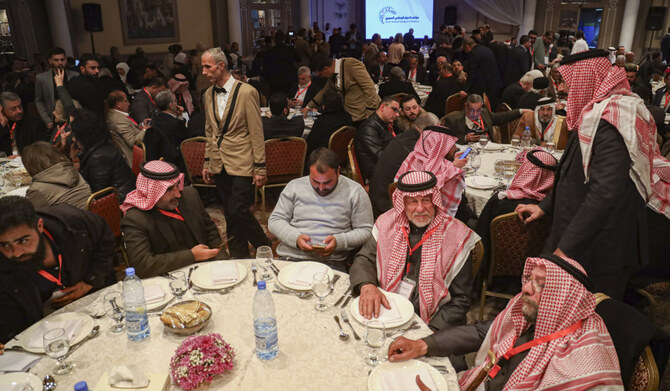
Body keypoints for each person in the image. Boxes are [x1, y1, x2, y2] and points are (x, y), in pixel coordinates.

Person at [515, 49, 670, 299]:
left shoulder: (612, 121)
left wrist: (564, 250)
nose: (562, 88)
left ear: (587, 79)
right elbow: (569, 171)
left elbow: (604, 193)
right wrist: (545, 206)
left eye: (566, 80)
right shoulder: (595, 110)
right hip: (576, 233)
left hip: (599, 246)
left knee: (587, 323)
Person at [388, 255, 624, 390]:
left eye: (540, 284)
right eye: (530, 279)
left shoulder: (582, 367)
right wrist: (422, 345)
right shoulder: (538, 312)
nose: (525, 288)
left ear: (563, 298)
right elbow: (485, 332)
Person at [350, 170, 479, 330]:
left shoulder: (456, 236)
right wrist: (367, 285)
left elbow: (460, 300)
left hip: (433, 323)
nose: (420, 209)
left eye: (426, 200)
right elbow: (364, 259)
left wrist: (429, 335)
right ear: (402, 203)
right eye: (412, 201)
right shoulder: (386, 224)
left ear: (435, 200)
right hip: (387, 309)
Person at [0, 196, 116, 342]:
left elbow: (106, 240)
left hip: (96, 302)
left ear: (39, 226)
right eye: (4, 245)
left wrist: (91, 280)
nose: (16, 253)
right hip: (44, 330)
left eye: (23, 241)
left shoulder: (74, 222)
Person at [200, 47, 270, 258]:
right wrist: (206, 162)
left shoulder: (247, 92)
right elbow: (210, 131)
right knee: (230, 214)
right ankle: (240, 258)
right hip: (219, 163)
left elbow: (256, 132)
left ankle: (263, 246)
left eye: (207, 66)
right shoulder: (208, 94)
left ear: (221, 66)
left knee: (238, 208)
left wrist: (260, 166)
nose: (203, 72)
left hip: (242, 161)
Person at [268, 148, 373, 271]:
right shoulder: (295, 186)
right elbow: (275, 220)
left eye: (327, 182)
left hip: (332, 261)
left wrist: (339, 242)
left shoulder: (354, 191)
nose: (321, 188)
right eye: (315, 181)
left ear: (338, 172)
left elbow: (365, 230)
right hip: (292, 256)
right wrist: (295, 238)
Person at [120, 161, 226, 278]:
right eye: (169, 189)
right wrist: (192, 256)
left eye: (177, 185)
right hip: (167, 279)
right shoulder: (135, 219)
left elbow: (211, 233)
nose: (178, 194)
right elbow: (143, 265)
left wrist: (222, 264)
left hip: (205, 270)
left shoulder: (190, 195)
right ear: (151, 191)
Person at [475, 148, 558, 277]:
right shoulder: (554, 208)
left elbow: (480, 239)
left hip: (496, 275)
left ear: (525, 170)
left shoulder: (500, 202)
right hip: (537, 275)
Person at [370, 113, 439, 217]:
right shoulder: (416, 147)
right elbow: (430, 176)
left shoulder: (407, 136)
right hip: (387, 204)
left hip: (378, 196)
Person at [71, 109, 136, 202]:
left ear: (83, 136)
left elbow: (100, 195)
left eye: (75, 135)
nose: (73, 139)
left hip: (120, 202)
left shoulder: (99, 157)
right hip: (122, 193)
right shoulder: (101, 144)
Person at [305, 54, 381, 124]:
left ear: (326, 69)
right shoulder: (332, 74)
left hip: (364, 114)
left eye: (321, 74)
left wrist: (370, 113)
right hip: (349, 114)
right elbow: (324, 91)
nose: (322, 77)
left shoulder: (351, 64)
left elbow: (369, 87)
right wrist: (308, 107)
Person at [22, 141, 91, 209]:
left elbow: (28, 215)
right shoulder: (71, 170)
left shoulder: (36, 189)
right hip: (93, 216)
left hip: (69, 219)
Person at [442, 94, 526, 144]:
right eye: (472, 110)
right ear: (465, 106)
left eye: (478, 110)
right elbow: (446, 140)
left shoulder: (485, 113)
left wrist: (521, 111)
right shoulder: (453, 119)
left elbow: (502, 116)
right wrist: (465, 138)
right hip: (467, 152)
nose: (475, 114)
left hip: (488, 149)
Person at [354, 96, 400, 182]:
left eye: (398, 111)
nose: (397, 114)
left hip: (385, 166)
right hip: (377, 174)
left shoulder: (385, 122)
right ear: (382, 107)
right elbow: (380, 156)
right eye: (394, 110)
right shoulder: (368, 127)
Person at [34, 47, 77, 129]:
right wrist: (47, 120)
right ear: (50, 61)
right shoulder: (41, 78)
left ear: (66, 60)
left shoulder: (74, 75)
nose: (60, 63)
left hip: (72, 116)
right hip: (54, 118)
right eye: (56, 60)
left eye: (62, 59)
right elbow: (38, 101)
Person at [144, 90, 187, 166]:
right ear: (171, 105)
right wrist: (180, 117)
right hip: (172, 164)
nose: (177, 104)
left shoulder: (153, 120)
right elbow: (186, 141)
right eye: (175, 101)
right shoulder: (176, 124)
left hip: (152, 163)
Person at [305, 90, 352, 159]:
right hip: (342, 155)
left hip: (323, 157)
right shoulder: (348, 117)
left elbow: (309, 145)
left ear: (324, 106)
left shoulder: (322, 122)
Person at [106, 90, 146, 167]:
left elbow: (130, 129)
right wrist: (145, 129)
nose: (129, 103)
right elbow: (132, 142)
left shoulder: (115, 115)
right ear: (118, 104)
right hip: (134, 158)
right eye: (126, 101)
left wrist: (143, 124)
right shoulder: (119, 120)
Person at [0, 91, 48, 156]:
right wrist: (2, 126)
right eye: (13, 109)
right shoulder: (2, 125)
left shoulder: (35, 123)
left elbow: (41, 149)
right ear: (2, 110)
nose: (19, 111)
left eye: (20, 106)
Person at [462, 38, 502, 107]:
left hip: (484, 86)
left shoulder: (473, 53)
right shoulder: (486, 49)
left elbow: (472, 72)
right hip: (495, 83)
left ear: (467, 47)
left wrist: (466, 89)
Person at [262, 30, 299, 95]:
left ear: (275, 39)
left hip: (275, 79)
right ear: (284, 39)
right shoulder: (290, 49)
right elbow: (299, 59)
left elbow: (265, 66)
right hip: (289, 77)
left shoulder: (270, 51)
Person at [68, 53, 105, 118]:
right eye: (93, 68)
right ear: (82, 69)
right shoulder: (88, 87)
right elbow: (95, 112)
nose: (97, 71)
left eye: (98, 68)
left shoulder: (73, 80)